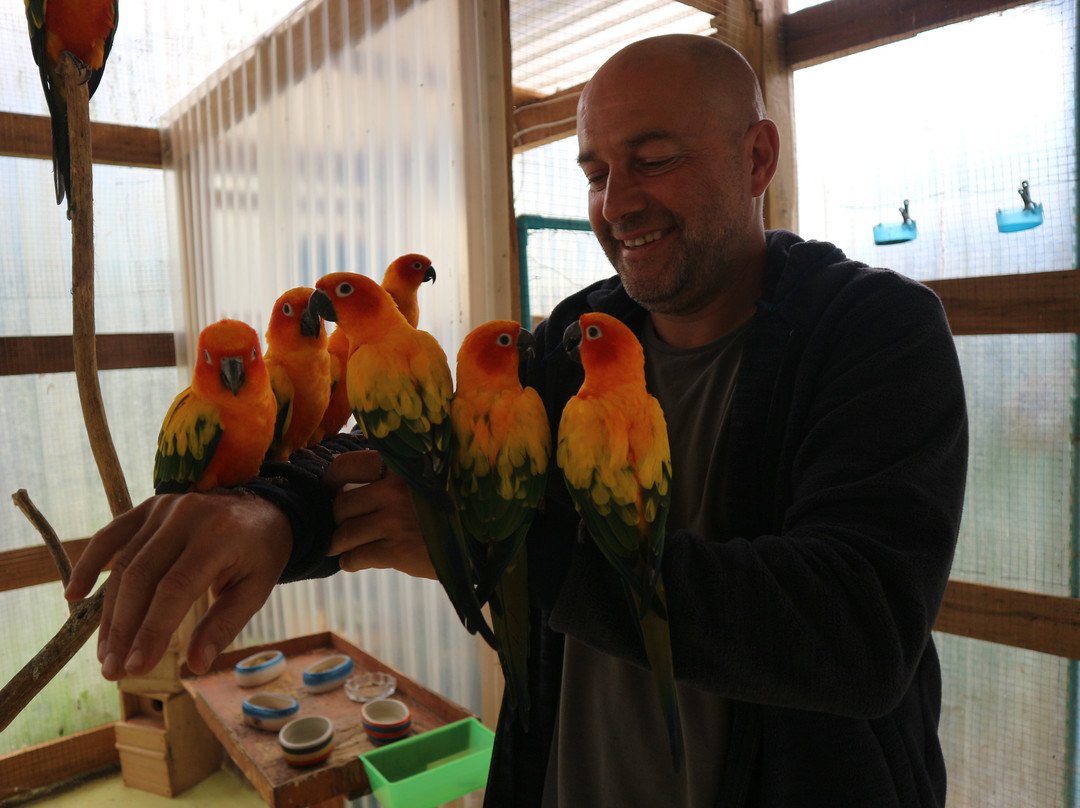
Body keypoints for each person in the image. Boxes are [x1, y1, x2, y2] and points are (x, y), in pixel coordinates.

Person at [67, 34, 968, 807]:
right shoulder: (567, 342)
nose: (616, 205)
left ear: (758, 158)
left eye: (653, 160)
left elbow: (857, 631)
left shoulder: (874, 334)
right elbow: (424, 460)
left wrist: (500, 547)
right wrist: (273, 511)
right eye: (595, 172)